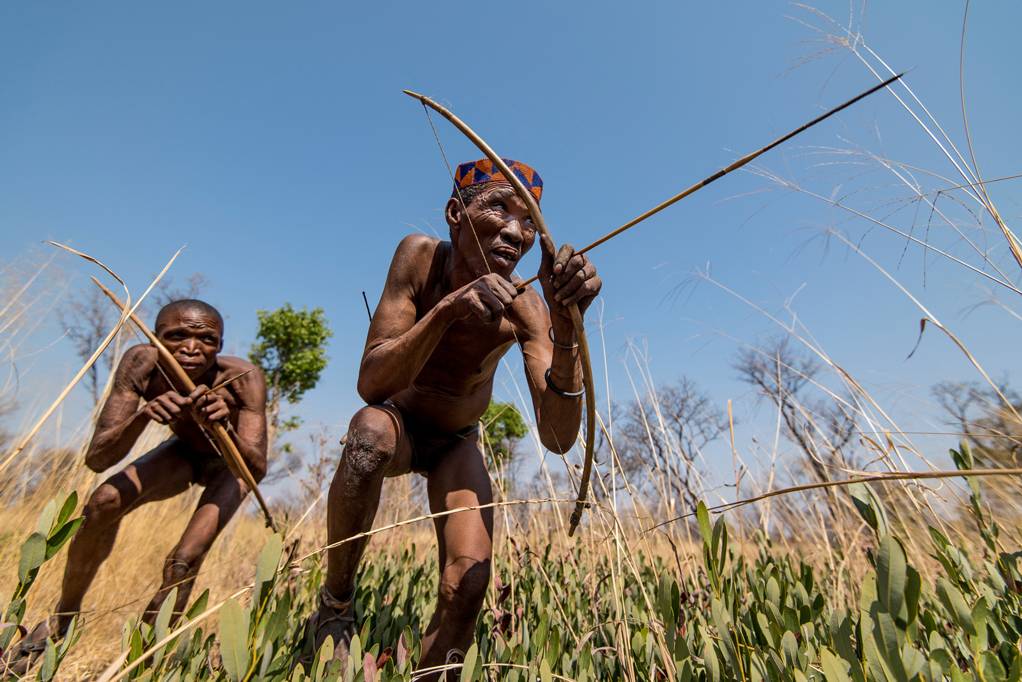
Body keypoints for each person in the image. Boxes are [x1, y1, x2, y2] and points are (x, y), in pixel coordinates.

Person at [306, 158, 602, 673]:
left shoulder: (527, 308)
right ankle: (335, 604)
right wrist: (448, 310)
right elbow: (372, 383)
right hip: (398, 423)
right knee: (368, 434)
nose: (516, 230)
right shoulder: (419, 258)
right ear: (455, 213)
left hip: (455, 443)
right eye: (499, 209)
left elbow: (558, 437)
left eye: (529, 219)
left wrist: (566, 326)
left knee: (469, 581)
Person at [6, 299, 267, 674]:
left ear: (220, 345)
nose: (191, 348)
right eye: (176, 336)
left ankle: (141, 662)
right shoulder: (142, 365)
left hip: (230, 466)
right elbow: (97, 458)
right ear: (157, 339)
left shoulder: (243, 378)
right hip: (183, 455)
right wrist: (144, 416)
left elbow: (255, 467)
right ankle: (64, 619)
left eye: (206, 339)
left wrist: (223, 427)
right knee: (103, 501)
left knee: (184, 560)